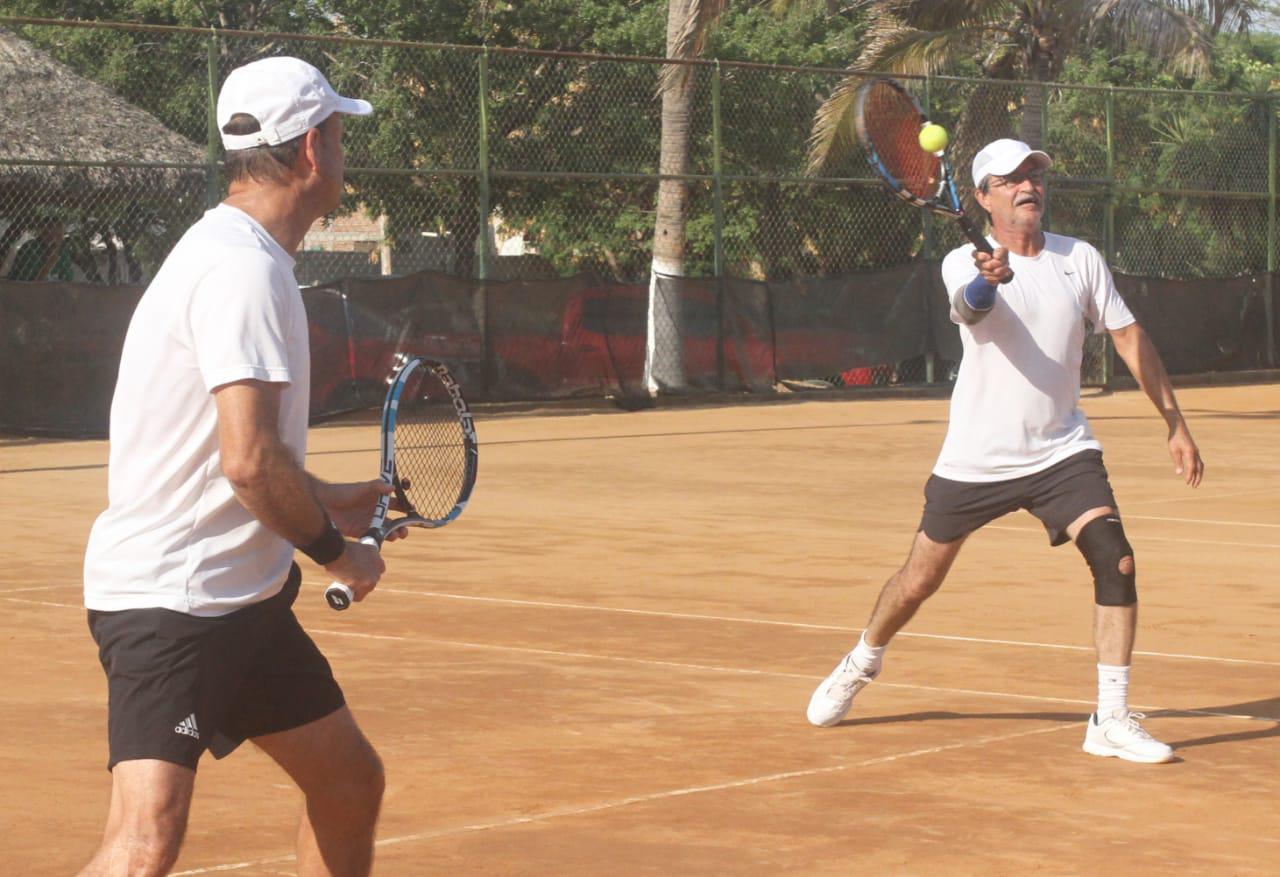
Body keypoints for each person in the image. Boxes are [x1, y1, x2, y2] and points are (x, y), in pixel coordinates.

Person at [80, 58, 394, 876]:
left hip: (241, 600)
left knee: (349, 782)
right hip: (174, 602)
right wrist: (337, 552)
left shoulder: (243, 255)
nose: (343, 153)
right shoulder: (241, 268)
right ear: (314, 153)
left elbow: (246, 459)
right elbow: (249, 462)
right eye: (338, 133)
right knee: (144, 841)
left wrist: (329, 499)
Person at [806, 139, 1205, 764]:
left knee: (1116, 558)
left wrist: (1174, 421)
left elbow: (1128, 336)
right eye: (1012, 178)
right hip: (977, 459)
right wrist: (989, 282)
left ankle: (1111, 717)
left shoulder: (1080, 260)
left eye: (1035, 176)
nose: (1029, 186)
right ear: (984, 197)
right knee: (918, 581)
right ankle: (863, 659)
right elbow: (969, 308)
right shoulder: (961, 264)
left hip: (1062, 453)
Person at [7, 219, 73, 281]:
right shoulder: (31, 248)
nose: (59, 239)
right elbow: (32, 283)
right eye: (51, 235)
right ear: (43, 234)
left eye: (60, 235)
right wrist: (50, 263)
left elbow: (68, 278)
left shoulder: (63, 250)